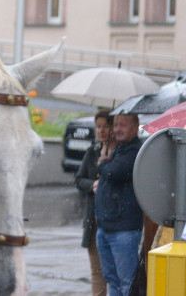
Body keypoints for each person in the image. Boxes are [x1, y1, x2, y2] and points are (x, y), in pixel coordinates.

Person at [93, 112, 144, 296]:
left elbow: (115, 172)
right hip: (106, 228)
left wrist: (103, 164)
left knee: (126, 283)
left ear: (135, 127)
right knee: (112, 281)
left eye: (122, 125)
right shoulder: (118, 150)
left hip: (124, 229)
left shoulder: (135, 150)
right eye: (115, 125)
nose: (117, 130)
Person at [75, 110, 110, 296]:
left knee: (114, 273)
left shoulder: (118, 153)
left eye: (105, 126)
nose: (102, 130)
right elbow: (79, 179)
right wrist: (92, 184)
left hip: (113, 221)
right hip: (93, 221)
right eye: (98, 127)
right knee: (97, 272)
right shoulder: (92, 151)